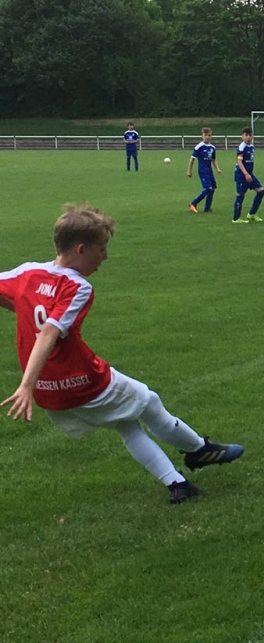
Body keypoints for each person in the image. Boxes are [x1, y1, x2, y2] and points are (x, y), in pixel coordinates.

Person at [0, 204, 244, 504]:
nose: (105, 256)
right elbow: (50, 332)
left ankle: (178, 485)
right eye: (101, 249)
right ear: (80, 249)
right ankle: (199, 450)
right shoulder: (77, 287)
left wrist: (23, 310)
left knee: (125, 422)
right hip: (83, 381)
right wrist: (24, 385)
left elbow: (24, 306)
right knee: (149, 401)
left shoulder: (27, 273)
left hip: (48, 393)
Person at [233, 127, 264, 223]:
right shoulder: (242, 147)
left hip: (250, 174)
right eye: (246, 135)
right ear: (242, 136)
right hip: (242, 174)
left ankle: (251, 214)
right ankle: (236, 219)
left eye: (250, 135)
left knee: (261, 191)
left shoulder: (251, 146)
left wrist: (249, 174)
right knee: (240, 195)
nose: (248, 137)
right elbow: (239, 162)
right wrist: (246, 174)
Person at [187, 128, 223, 213]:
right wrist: (189, 171)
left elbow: (213, 159)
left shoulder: (212, 148)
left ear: (211, 136)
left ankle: (207, 208)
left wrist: (217, 168)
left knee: (212, 188)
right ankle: (193, 203)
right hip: (203, 171)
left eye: (209, 135)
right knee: (208, 188)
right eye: (205, 135)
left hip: (209, 171)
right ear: (202, 136)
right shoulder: (199, 147)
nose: (207, 137)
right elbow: (192, 159)